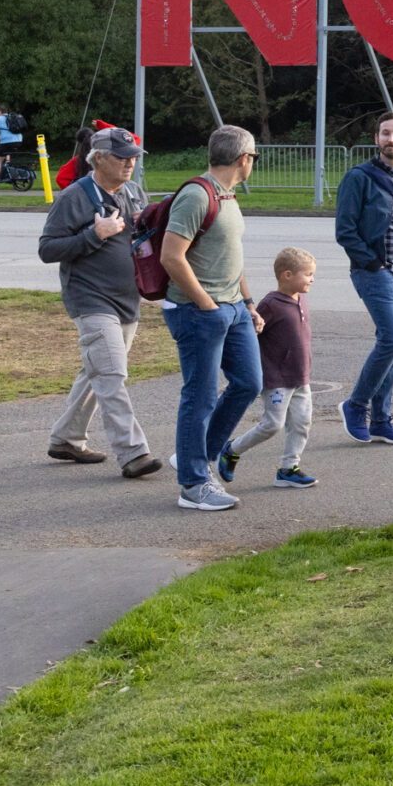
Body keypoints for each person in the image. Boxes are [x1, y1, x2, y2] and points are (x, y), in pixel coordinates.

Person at [35, 126, 161, 479]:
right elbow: (47, 249)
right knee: (111, 375)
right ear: (99, 157)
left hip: (128, 298)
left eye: (134, 157)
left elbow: (144, 237)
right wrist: (95, 234)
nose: (130, 163)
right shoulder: (73, 197)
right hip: (90, 299)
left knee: (98, 371)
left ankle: (66, 439)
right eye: (122, 157)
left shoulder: (134, 192)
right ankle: (134, 453)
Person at [159, 125, 265, 512]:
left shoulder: (228, 196)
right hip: (198, 311)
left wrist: (249, 304)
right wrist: (206, 304)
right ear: (243, 159)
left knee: (249, 383)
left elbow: (229, 258)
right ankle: (193, 484)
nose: (253, 162)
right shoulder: (195, 195)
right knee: (200, 396)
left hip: (233, 308)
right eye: (254, 157)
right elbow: (171, 256)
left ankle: (196, 453)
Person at [333, 111, 393, 446]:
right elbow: (345, 231)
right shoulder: (359, 178)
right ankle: (356, 406)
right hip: (375, 273)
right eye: (385, 133)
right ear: (376, 139)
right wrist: (373, 263)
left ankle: (381, 420)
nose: (391, 139)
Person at [217, 248, 319, 490]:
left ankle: (287, 469)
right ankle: (231, 450)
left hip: (300, 376)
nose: (312, 279)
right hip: (277, 378)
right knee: (272, 425)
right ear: (287, 275)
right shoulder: (270, 304)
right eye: (308, 274)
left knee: (302, 423)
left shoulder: (300, 298)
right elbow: (252, 334)